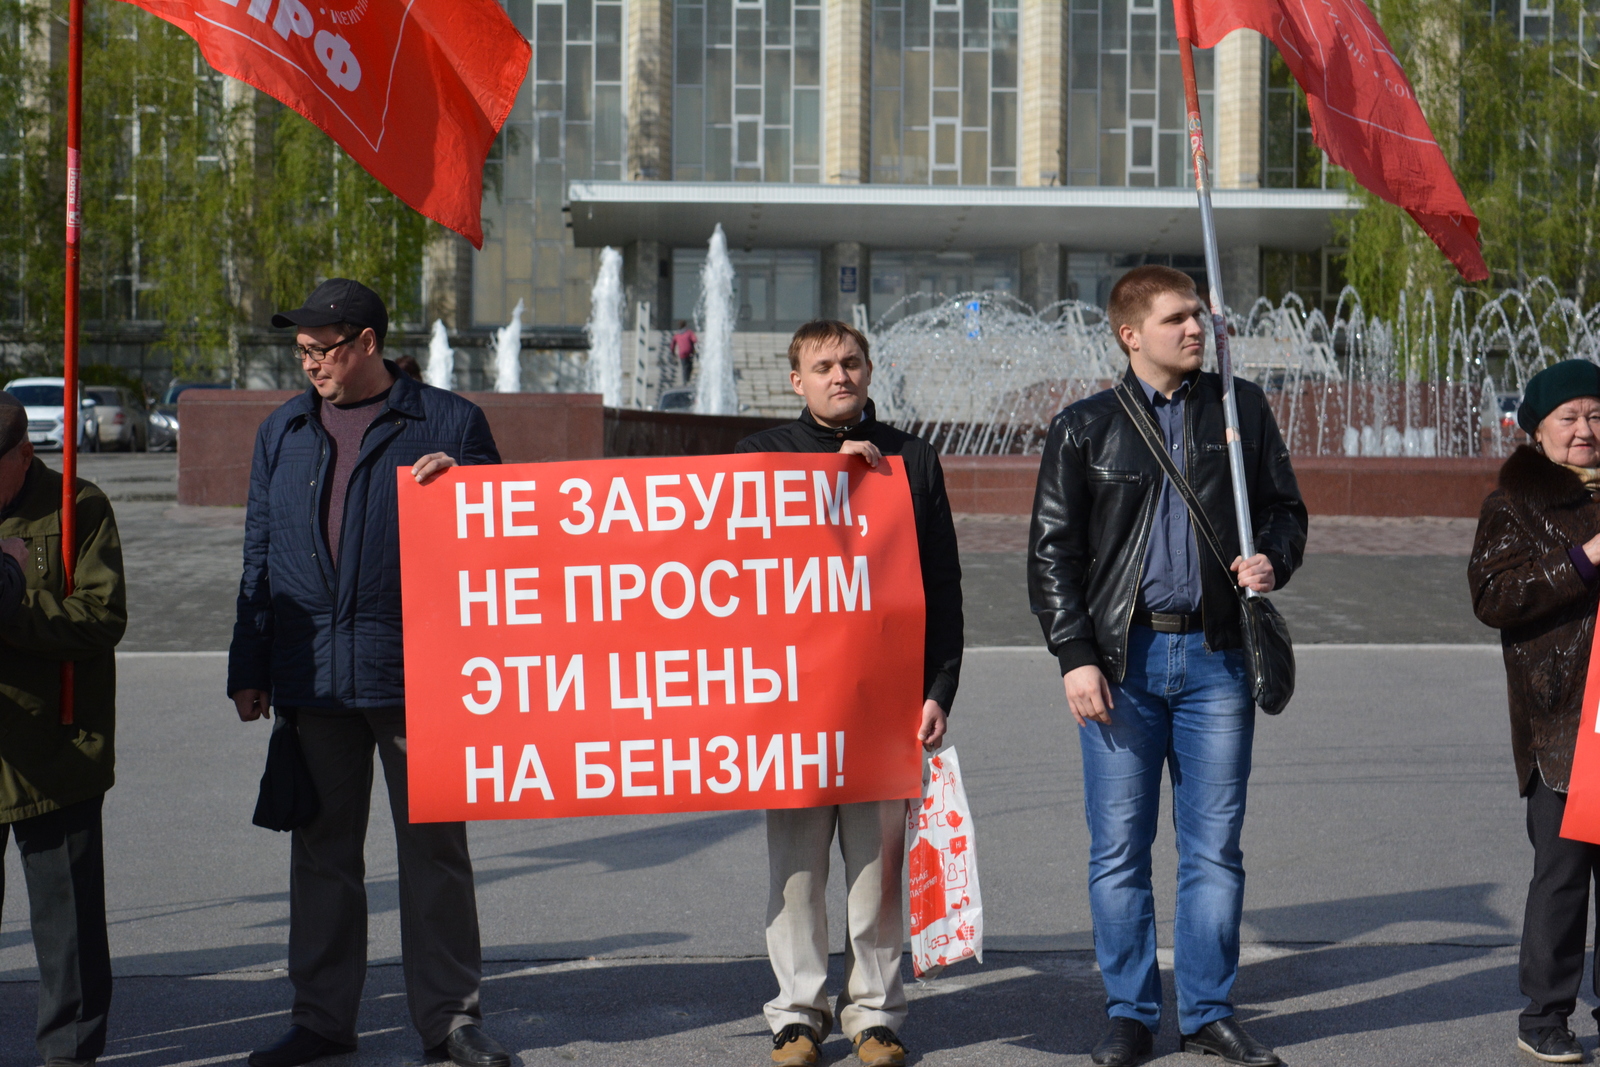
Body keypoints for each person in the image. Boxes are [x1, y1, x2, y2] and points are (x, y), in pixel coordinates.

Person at [1027, 266, 1306, 1067]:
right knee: (1118, 848)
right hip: (1123, 662)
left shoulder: (1239, 407)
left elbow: (1286, 510)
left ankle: (1210, 1008)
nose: (1198, 328)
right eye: (1179, 317)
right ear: (1130, 333)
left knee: (1214, 847)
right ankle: (1128, 1009)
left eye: (1201, 315)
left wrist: (1271, 561)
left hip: (1218, 657)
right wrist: (1075, 657)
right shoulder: (1085, 426)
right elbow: (1053, 555)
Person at [229, 279, 508, 1067]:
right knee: (321, 854)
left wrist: (468, 492)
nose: (309, 362)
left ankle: (450, 1020)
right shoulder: (282, 430)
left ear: (366, 344)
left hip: (415, 676)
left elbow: (500, 550)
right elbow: (259, 555)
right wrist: (248, 663)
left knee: (435, 857)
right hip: (311, 677)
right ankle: (321, 1016)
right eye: (303, 350)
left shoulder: (449, 421)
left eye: (323, 348)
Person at [734, 320, 963, 1067]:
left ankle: (875, 1013)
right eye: (823, 365)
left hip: (883, 702)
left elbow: (943, 587)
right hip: (789, 703)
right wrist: (823, 478)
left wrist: (938, 687)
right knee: (795, 872)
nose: (841, 375)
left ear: (870, 371)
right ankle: (797, 1013)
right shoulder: (760, 457)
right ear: (795, 380)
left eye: (852, 363)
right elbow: (727, 562)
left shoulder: (913, 458)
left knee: (876, 873)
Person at [1469, 359, 1600, 1065]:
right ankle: (1544, 1013)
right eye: (1570, 418)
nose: (1585, 430)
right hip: (1564, 720)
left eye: (1597, 415)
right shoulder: (1513, 505)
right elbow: (1495, 596)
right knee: (1562, 869)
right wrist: (1583, 559)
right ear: (1538, 428)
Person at [0, 390, 126, 1067]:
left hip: (57, 742)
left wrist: (15, 604)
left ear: (23, 452)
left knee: (67, 925)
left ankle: (70, 1054)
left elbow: (103, 616)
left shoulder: (78, 506)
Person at [672, 320, 698, 384]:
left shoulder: (677, 335)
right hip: (689, 353)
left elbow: (672, 345)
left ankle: (685, 381)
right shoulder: (689, 333)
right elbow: (695, 340)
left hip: (682, 354)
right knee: (689, 366)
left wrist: (673, 353)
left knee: (684, 367)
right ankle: (687, 380)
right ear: (685, 325)